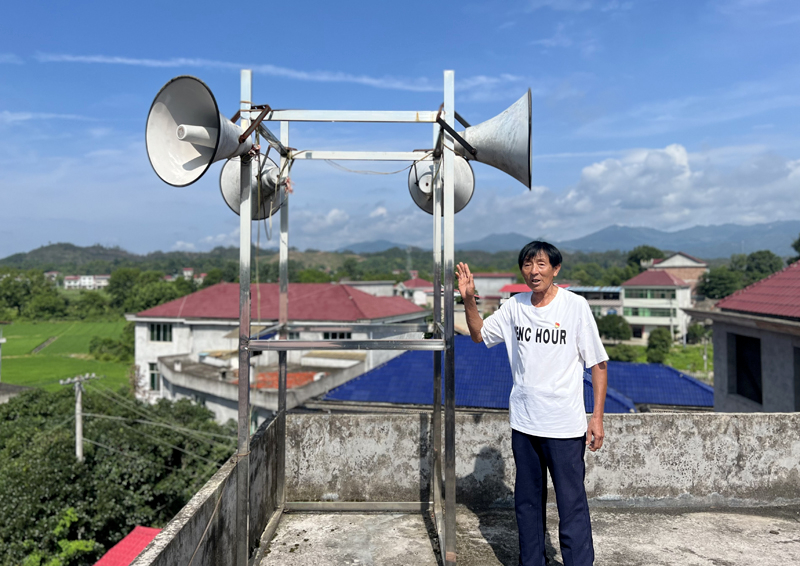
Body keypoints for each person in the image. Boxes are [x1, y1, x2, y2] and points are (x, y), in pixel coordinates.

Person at [456, 241, 608, 566]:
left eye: (541, 264)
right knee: (527, 503)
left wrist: (596, 417)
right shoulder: (514, 306)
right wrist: (468, 299)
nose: (534, 271)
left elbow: (598, 364)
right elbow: (479, 334)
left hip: (564, 427)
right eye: (527, 265)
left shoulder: (575, 306)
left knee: (571, 503)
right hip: (524, 424)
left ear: (556, 269)